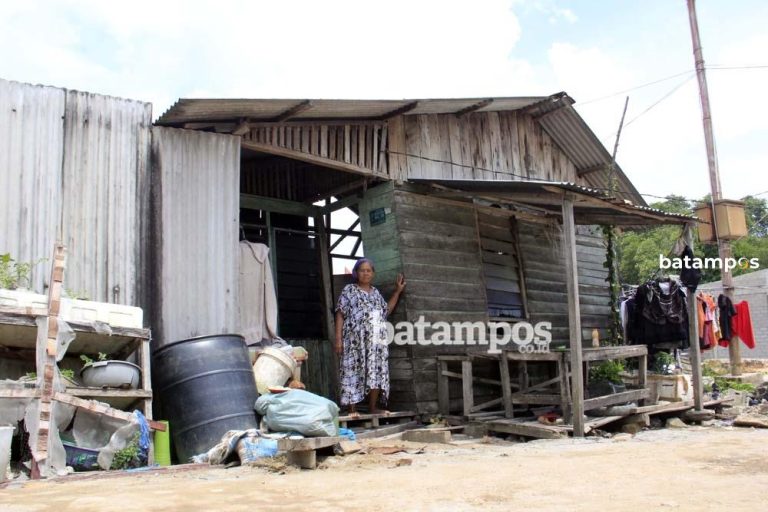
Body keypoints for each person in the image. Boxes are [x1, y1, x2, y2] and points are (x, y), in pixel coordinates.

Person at [334, 258, 405, 417]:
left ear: (373, 274)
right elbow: (340, 313)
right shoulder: (349, 290)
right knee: (351, 369)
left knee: (376, 371)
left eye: (368, 270)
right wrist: (338, 339)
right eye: (362, 270)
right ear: (356, 273)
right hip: (353, 340)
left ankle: (373, 408)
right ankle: (352, 410)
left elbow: (386, 311)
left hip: (375, 342)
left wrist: (397, 292)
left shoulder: (376, 293)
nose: (365, 273)